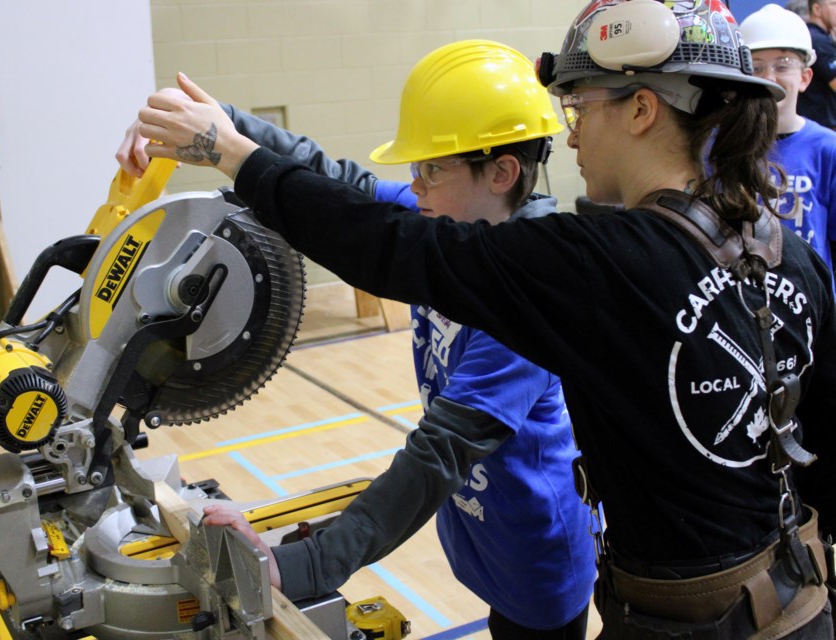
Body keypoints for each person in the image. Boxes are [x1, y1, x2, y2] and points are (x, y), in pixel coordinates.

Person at [133, 0, 836, 636]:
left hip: (682, 622)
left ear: (643, 109)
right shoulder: (791, 255)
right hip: (793, 597)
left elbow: (382, 245)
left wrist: (225, 151)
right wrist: (221, 128)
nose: (570, 136)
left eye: (580, 108)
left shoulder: (597, 265)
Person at [122, 41, 596, 638]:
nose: (414, 186)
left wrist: (307, 564)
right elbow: (331, 180)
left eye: (431, 168)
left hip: (537, 560)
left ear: (501, 172)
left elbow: (437, 455)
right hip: (484, 534)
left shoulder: (530, 301)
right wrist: (219, 123)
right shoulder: (443, 224)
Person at [741, 4, 836, 288]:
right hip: (741, 304)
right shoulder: (718, 148)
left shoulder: (827, 149)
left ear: (805, 77)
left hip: (811, 308)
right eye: (756, 67)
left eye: (783, 65)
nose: (770, 78)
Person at [797, 0, 836, 129]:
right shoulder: (819, 42)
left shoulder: (808, 35)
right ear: (817, 9)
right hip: (822, 127)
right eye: (833, 4)